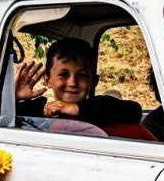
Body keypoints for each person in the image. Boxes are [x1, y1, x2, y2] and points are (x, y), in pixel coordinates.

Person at [14, 37, 142, 127]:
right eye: (64, 75)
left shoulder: (101, 111)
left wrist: (76, 108)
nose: (72, 82)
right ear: (48, 80)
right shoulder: (38, 112)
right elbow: (3, 120)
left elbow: (134, 110)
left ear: (94, 82)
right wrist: (13, 98)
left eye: (82, 76)